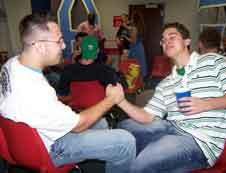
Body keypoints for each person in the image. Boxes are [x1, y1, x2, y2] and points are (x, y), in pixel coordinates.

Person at [0, 13, 136, 173]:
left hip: (25, 141)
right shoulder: (34, 90)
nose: (64, 46)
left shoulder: (10, 65)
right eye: (59, 41)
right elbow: (79, 125)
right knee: (126, 141)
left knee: (102, 123)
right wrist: (111, 99)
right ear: (40, 46)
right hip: (50, 148)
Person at [116, 22, 226, 173]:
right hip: (171, 127)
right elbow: (147, 116)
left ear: (187, 41)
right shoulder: (166, 83)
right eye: (163, 40)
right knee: (124, 128)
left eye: (172, 37)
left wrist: (207, 104)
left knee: (141, 164)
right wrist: (120, 100)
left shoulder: (213, 62)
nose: (166, 42)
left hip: (199, 140)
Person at [57, 35, 122, 101]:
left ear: (80, 50)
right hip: (100, 108)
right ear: (97, 51)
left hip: (76, 109)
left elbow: (61, 95)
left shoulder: (67, 70)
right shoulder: (106, 70)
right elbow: (116, 93)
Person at [123, 12, 147, 78]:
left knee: (134, 66)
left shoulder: (134, 28)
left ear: (135, 19)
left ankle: (136, 84)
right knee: (140, 65)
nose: (131, 19)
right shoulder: (140, 26)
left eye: (132, 18)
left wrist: (125, 37)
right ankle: (140, 84)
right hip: (140, 47)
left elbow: (133, 41)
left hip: (135, 49)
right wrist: (126, 26)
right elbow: (129, 28)